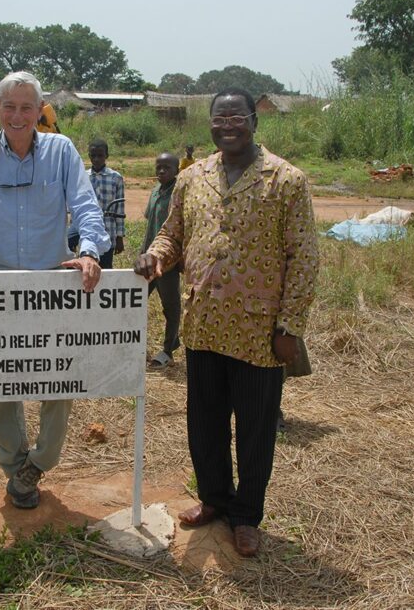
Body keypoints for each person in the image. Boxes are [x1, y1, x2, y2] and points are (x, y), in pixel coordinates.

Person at [134, 87, 318, 557]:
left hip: (259, 333)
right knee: (205, 422)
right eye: (220, 118)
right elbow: (172, 234)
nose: (228, 124)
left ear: (254, 121)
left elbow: (304, 259)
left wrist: (289, 327)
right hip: (203, 326)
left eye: (237, 116)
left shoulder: (285, 180)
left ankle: (246, 516)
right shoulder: (193, 178)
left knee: (255, 429)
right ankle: (214, 499)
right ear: (211, 124)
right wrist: (155, 256)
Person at [0, 71, 109, 509]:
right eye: (9, 107)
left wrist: (89, 250)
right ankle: (16, 466)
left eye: (27, 107)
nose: (18, 116)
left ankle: (42, 460)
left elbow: (87, 209)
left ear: (40, 112)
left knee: (60, 377)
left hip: (50, 284)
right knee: (0, 382)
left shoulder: (61, 151)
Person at [142, 152, 181, 368]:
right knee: (136, 302)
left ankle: (168, 350)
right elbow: (150, 227)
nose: (161, 171)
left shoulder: (178, 194)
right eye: (158, 167)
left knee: (171, 307)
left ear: (177, 170)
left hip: (168, 263)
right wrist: (142, 253)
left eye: (166, 168)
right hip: (147, 259)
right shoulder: (156, 191)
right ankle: (137, 345)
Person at [70, 139, 124, 268]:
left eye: (100, 155)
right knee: (86, 267)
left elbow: (120, 209)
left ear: (106, 156)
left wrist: (119, 237)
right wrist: (72, 233)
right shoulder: (83, 177)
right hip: (85, 233)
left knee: (105, 270)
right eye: (93, 156)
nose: (96, 159)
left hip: (108, 232)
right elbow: (76, 206)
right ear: (89, 156)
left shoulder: (116, 178)